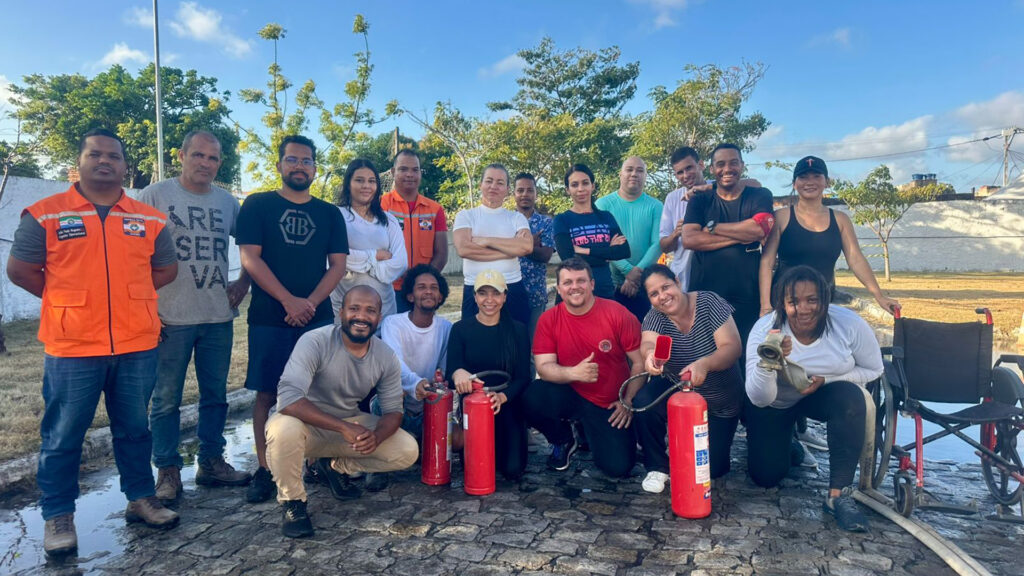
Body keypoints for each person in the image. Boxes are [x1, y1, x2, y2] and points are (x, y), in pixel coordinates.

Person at [7, 129, 180, 556]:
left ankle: (141, 498)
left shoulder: (149, 219)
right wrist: (70, 301)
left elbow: (166, 270)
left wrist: (129, 298)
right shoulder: (45, 214)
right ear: (79, 163)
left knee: (135, 429)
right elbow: (21, 271)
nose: (105, 161)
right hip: (72, 346)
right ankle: (58, 514)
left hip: (137, 342)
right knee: (63, 434)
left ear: (125, 166)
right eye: (95, 154)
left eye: (113, 156)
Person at [137, 130, 252, 501]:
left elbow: (251, 247)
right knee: (166, 399)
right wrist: (145, 310)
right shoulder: (154, 196)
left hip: (217, 314)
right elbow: (134, 257)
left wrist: (244, 282)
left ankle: (212, 462)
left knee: (215, 396)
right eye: (198, 155)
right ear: (182, 155)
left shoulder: (227, 202)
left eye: (213, 158)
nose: (205, 163)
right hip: (169, 316)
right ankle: (168, 470)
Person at [236, 135, 349, 503]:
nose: (299, 166)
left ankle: (319, 464)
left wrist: (310, 304)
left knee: (319, 391)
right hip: (269, 315)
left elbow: (338, 266)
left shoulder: (329, 213)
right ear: (280, 165)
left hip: (316, 320)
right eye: (292, 160)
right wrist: (288, 300)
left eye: (307, 161)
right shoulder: (257, 205)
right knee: (267, 392)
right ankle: (265, 468)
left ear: (316, 168)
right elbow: (250, 259)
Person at [264, 286, 418, 538]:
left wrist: (376, 437)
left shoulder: (385, 356)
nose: (361, 316)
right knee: (283, 429)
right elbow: (289, 399)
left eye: (370, 311)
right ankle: (293, 503)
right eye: (354, 308)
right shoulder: (315, 341)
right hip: (304, 423)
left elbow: (392, 411)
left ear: (379, 317)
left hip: (347, 422)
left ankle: (335, 467)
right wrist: (343, 427)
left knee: (406, 449)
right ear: (341, 312)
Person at [745, 265, 883, 532]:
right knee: (766, 477)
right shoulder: (765, 330)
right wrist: (770, 360)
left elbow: (874, 369)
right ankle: (789, 442)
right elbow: (758, 398)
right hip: (776, 402)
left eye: (812, 300)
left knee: (852, 398)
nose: (804, 309)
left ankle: (838, 496)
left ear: (825, 300)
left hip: (822, 395)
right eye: (793, 301)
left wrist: (827, 380)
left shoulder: (849, 324)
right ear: (782, 304)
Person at [522, 258, 644, 479]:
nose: (574, 287)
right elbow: (543, 366)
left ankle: (589, 431)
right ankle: (563, 440)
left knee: (618, 467)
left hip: (610, 402)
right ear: (558, 288)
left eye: (581, 280)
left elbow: (640, 363)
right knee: (532, 397)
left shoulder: (617, 313)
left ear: (592, 284)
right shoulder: (549, 319)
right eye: (567, 282)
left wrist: (627, 400)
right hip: (571, 392)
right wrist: (573, 373)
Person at [633, 264, 744, 493]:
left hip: (720, 402)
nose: (662, 296)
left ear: (678, 282)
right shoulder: (655, 317)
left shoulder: (708, 302)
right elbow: (647, 343)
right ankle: (657, 466)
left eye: (666, 287)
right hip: (681, 393)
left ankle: (682, 447)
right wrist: (650, 357)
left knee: (713, 468)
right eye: (654, 294)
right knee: (644, 400)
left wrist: (706, 363)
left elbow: (732, 347)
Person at [759, 155, 900, 315]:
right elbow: (767, 262)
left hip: (821, 302)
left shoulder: (840, 220)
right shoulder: (781, 217)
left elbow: (856, 259)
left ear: (826, 181)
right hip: (785, 302)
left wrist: (879, 296)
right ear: (795, 183)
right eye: (803, 177)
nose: (810, 182)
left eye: (816, 176)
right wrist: (765, 306)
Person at [682, 143, 775, 351]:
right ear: (712, 169)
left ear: (742, 165)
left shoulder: (759, 195)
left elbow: (759, 230)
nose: (727, 169)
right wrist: (739, 237)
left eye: (733, 163)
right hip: (705, 296)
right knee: (706, 357)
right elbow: (689, 239)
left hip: (747, 294)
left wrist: (713, 227)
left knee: (745, 356)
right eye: (721, 164)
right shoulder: (700, 200)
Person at [447, 270, 532, 481]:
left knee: (512, 470)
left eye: (495, 293)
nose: (489, 300)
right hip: (474, 407)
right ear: (474, 297)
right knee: (475, 467)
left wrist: (503, 397)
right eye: (483, 293)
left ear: (504, 296)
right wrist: (459, 374)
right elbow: (452, 371)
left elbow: (523, 377)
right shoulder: (460, 329)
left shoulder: (518, 331)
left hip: (506, 403)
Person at [453, 163, 533, 326]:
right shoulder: (466, 216)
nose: (493, 186)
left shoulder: (516, 218)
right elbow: (464, 249)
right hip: (475, 288)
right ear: (480, 184)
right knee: (475, 346)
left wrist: (487, 241)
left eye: (500, 182)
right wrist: (510, 250)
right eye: (489, 181)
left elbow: (526, 247)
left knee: (515, 345)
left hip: (512, 288)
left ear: (507, 189)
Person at [379, 264, 453, 437]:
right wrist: (416, 384)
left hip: (429, 402)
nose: (428, 291)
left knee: (457, 440)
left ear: (440, 296)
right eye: (421, 287)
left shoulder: (446, 327)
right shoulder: (393, 323)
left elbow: (443, 369)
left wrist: (436, 383)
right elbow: (395, 363)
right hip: (397, 402)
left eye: (434, 288)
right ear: (411, 296)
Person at [330, 158, 408, 318]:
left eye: (371, 181)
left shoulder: (389, 220)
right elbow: (333, 258)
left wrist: (360, 266)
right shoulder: (336, 216)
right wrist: (375, 256)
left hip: (384, 309)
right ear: (348, 184)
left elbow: (400, 263)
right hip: (345, 310)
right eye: (359, 180)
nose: (366, 186)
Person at [595, 156, 663, 321]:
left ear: (645, 176)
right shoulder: (602, 205)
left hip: (643, 285)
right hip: (609, 285)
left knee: (642, 335)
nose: (634, 174)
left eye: (640, 171)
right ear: (620, 174)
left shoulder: (656, 206)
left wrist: (635, 276)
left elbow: (657, 244)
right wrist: (628, 271)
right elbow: (602, 245)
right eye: (629, 169)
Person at [380, 149, 448, 312]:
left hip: (422, 293)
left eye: (415, 170)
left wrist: (421, 282)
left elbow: (441, 254)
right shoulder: (381, 205)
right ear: (393, 172)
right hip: (389, 288)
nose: (410, 174)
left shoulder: (435, 209)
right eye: (403, 169)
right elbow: (377, 250)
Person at [553, 164, 630, 299]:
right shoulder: (562, 220)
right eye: (575, 185)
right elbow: (569, 259)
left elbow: (624, 251)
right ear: (567, 190)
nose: (581, 189)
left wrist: (584, 251)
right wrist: (607, 252)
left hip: (604, 291)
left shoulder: (606, 217)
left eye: (585, 183)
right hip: (574, 294)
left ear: (592, 186)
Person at [513, 172, 555, 341]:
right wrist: (532, 244)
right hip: (508, 292)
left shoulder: (546, 223)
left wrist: (517, 244)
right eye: (520, 190)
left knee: (532, 347)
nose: (525, 194)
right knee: (510, 344)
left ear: (536, 194)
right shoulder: (505, 220)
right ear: (513, 193)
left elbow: (545, 255)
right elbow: (498, 251)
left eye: (529, 190)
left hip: (535, 294)